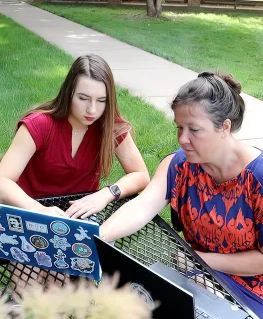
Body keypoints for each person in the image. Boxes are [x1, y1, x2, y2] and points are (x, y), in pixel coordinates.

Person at [100, 72, 263, 318]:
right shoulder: (180, 165)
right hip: (199, 277)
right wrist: (96, 237)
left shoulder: (258, 177)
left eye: (194, 130)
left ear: (224, 127)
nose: (182, 138)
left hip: (251, 292)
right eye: (179, 127)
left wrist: (197, 259)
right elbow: (141, 207)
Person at [0, 54, 150, 217]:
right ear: (69, 92)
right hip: (27, 212)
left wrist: (106, 194)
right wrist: (39, 209)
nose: (92, 110)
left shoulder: (109, 126)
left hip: (78, 217)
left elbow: (141, 175)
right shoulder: (39, 124)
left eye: (101, 100)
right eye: (83, 98)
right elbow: (2, 181)